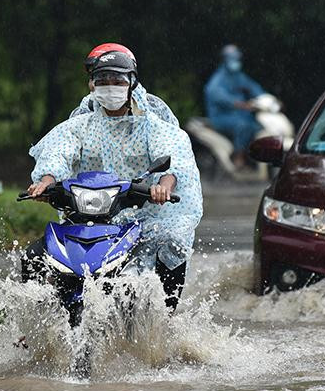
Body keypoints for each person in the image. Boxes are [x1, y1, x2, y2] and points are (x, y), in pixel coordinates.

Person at [24, 48, 203, 312]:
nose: (111, 88)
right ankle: (32, 323)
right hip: (87, 215)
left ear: (131, 82)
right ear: (91, 84)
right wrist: (45, 182)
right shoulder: (80, 125)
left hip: (145, 216)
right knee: (34, 256)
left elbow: (172, 156)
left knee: (172, 242)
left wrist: (163, 187)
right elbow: (58, 153)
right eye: (103, 81)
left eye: (118, 81)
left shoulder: (151, 126)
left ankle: (165, 318)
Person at [69, 43, 179, 126]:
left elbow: (174, 146)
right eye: (100, 79)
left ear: (131, 79)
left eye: (117, 79)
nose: (109, 86)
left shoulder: (155, 108)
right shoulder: (83, 112)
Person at [204, 44, 266, 168]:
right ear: (225, 60)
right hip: (221, 117)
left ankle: (253, 160)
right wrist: (239, 104)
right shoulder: (218, 79)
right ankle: (239, 157)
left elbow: (254, 88)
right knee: (243, 127)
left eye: (237, 59)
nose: (235, 62)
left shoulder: (239, 76)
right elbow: (218, 96)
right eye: (232, 59)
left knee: (259, 127)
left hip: (240, 115)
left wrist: (266, 98)